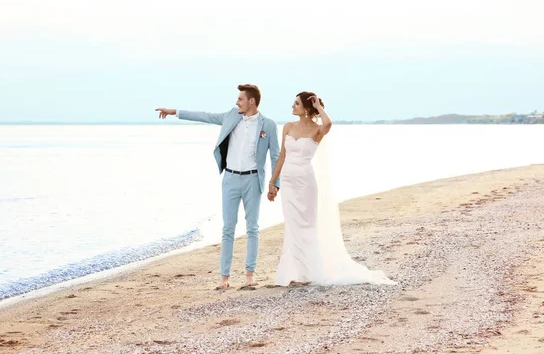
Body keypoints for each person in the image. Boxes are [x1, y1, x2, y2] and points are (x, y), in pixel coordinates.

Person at [155, 84, 281, 289]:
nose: (236, 102)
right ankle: (225, 278)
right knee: (228, 229)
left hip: (252, 180)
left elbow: (275, 155)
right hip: (230, 179)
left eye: (240, 99)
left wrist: (275, 184)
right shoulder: (231, 116)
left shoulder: (269, 125)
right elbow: (204, 116)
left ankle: (250, 275)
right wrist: (174, 112)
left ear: (251, 101)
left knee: (253, 228)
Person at [268, 91, 396, 287]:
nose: (292, 107)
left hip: (305, 182)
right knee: (292, 226)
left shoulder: (318, 130)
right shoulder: (287, 127)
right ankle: (295, 273)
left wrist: (319, 107)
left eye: (296, 103)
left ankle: (310, 274)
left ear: (306, 107)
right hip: (287, 182)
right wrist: (273, 182)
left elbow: (328, 124)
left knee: (307, 226)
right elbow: (282, 156)